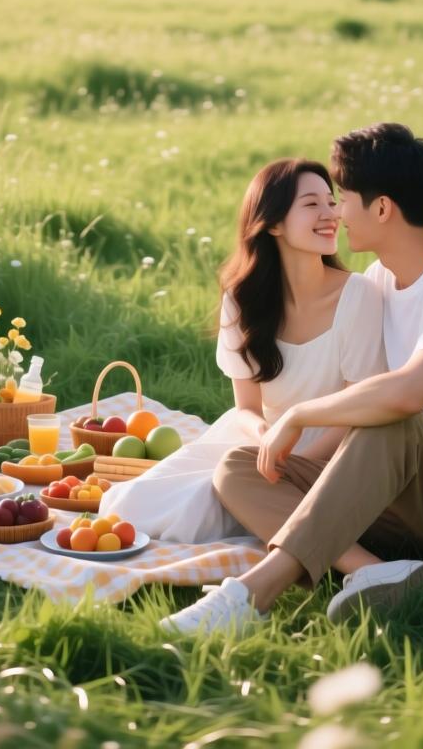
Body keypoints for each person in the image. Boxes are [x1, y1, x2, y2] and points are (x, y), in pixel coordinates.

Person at [160, 122, 423, 635]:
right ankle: (381, 572)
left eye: (343, 198)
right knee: (239, 468)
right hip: (406, 491)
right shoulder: (378, 283)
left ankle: (251, 596)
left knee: (394, 421)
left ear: (382, 209)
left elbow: (409, 393)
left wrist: (300, 415)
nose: (335, 213)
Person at [101, 157, 387, 559]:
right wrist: (270, 443)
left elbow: (358, 407)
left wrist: (297, 462)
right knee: (130, 505)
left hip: (332, 450)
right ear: (272, 223)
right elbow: (246, 409)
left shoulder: (359, 295)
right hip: (258, 443)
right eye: (311, 205)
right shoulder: (243, 299)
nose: (331, 214)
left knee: (196, 514)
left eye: (331, 201)